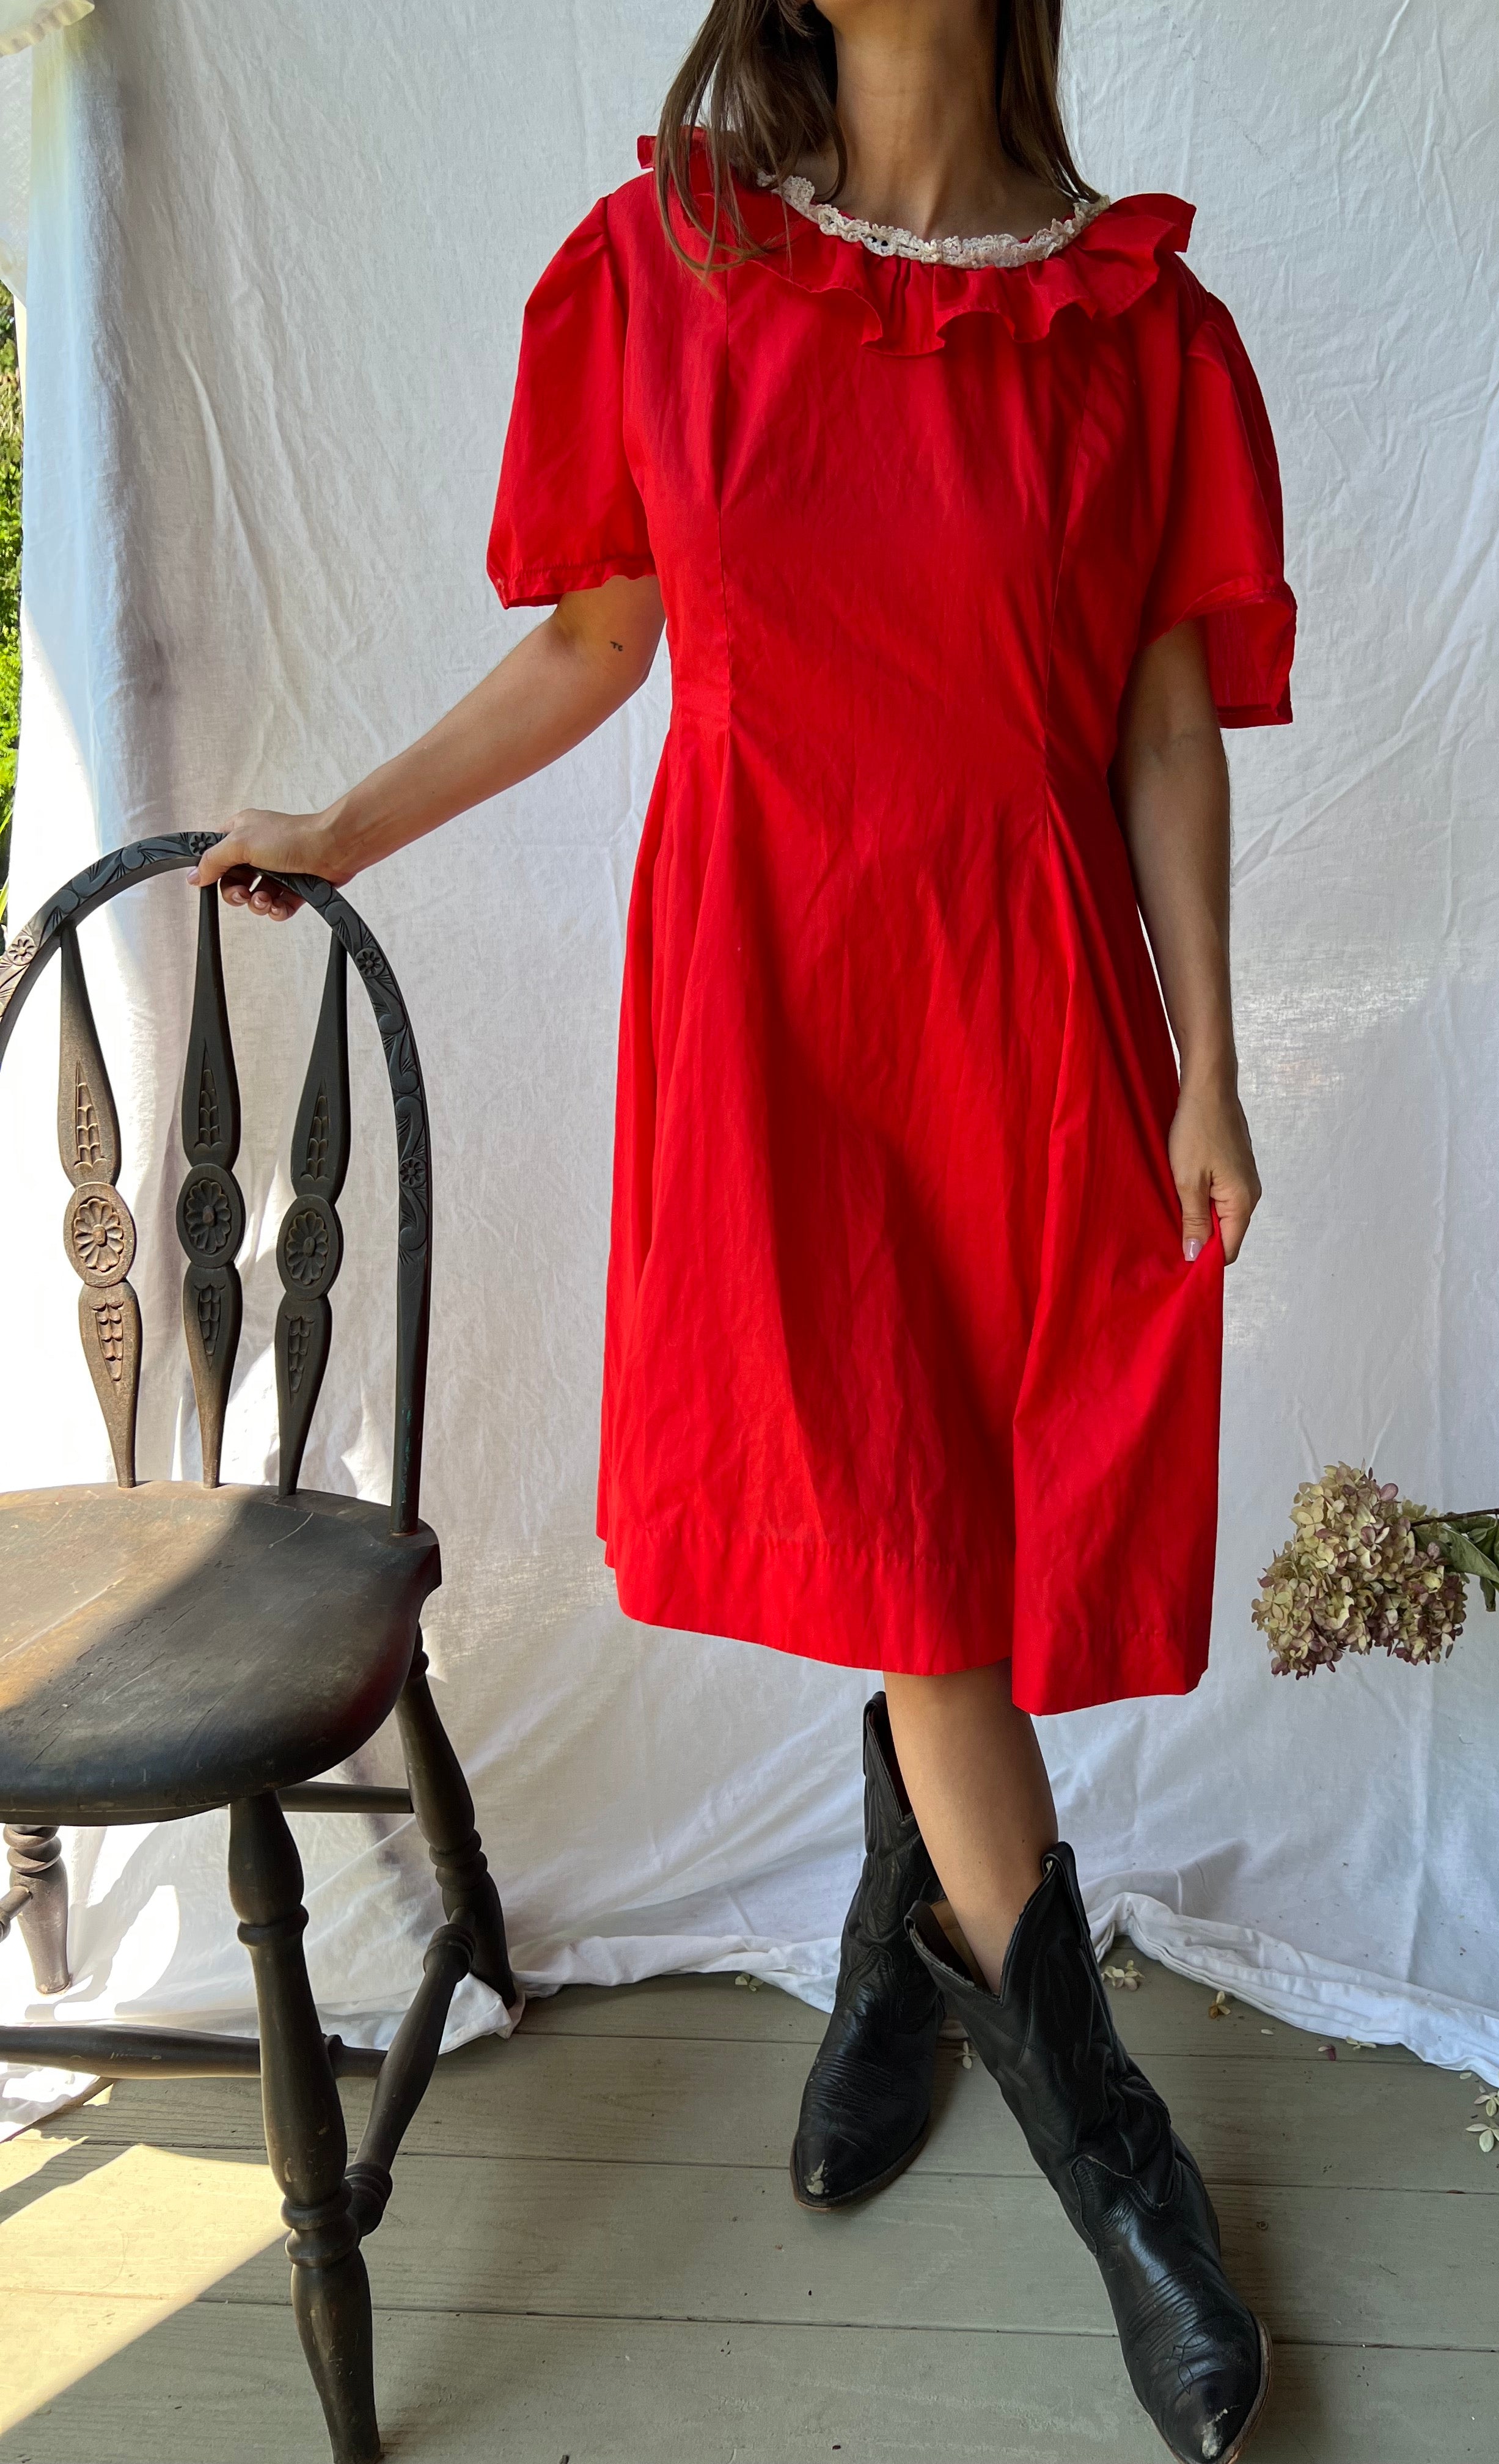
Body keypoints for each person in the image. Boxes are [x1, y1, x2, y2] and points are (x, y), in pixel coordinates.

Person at [192, 2, 1295, 2455]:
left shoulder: (1137, 328)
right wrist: (349, 824)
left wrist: (1210, 1059)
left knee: (972, 1515)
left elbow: (1162, 714)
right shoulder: (660, 270)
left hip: (1026, 987)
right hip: (774, 982)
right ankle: (1119, 2166)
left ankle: (906, 1946)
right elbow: (600, 640)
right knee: (909, 1548)